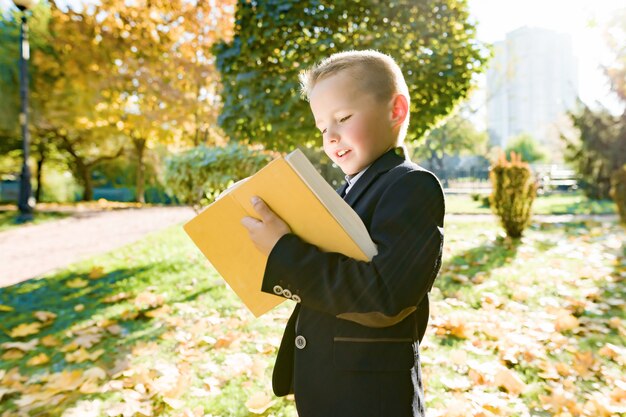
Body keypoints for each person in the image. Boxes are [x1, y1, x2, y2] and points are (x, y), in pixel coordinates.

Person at [240, 50, 445, 417]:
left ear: (395, 110)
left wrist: (285, 252)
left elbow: (387, 296)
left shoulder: (412, 186)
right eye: (322, 128)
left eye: (343, 118)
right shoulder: (345, 192)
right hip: (328, 389)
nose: (330, 137)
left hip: (371, 399)